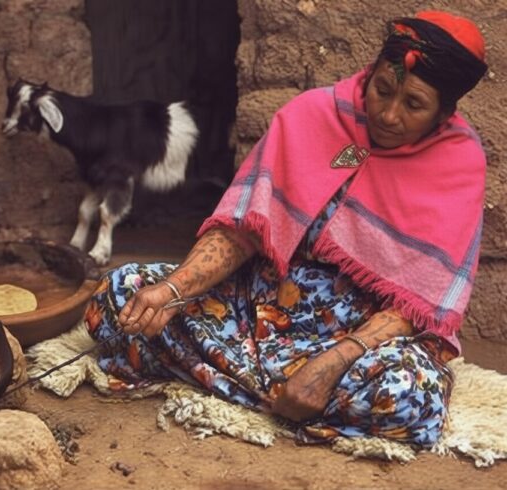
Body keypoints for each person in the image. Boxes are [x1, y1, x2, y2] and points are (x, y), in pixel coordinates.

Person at [82, 10, 488, 447]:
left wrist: (333, 364)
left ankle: (253, 385)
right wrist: (174, 289)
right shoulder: (313, 115)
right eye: (382, 90)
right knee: (120, 296)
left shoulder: (457, 165)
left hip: (360, 337)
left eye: (413, 105)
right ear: (369, 74)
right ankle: (283, 399)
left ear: (443, 113)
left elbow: (419, 305)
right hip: (257, 306)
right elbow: (243, 230)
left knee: (409, 395)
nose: (388, 114)